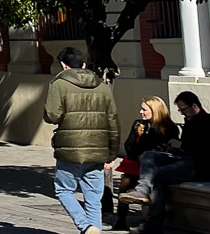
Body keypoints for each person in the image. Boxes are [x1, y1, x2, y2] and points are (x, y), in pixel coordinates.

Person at [42, 46, 118, 234]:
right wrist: (112, 153)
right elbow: (113, 121)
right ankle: (93, 230)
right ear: (83, 64)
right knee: (93, 199)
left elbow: (52, 115)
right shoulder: (102, 86)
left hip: (71, 149)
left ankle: (85, 226)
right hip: (98, 150)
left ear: (63, 66)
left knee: (63, 190)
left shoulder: (58, 84)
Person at [122, 90, 210, 233]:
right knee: (150, 155)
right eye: (180, 111)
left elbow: (202, 150)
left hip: (199, 165)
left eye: (183, 110)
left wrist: (181, 145)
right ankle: (142, 190)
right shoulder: (189, 121)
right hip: (183, 158)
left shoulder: (206, 122)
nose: (182, 114)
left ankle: (152, 224)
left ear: (194, 106)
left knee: (159, 174)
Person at [115, 96, 178, 195]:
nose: (141, 112)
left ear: (155, 111)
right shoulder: (139, 124)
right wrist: (137, 156)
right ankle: (122, 208)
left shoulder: (169, 128)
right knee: (126, 182)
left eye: (144, 109)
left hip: (154, 164)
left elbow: (164, 148)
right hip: (137, 161)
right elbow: (129, 144)